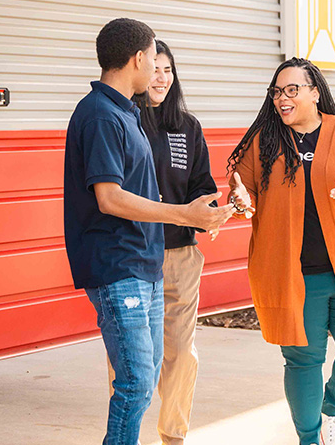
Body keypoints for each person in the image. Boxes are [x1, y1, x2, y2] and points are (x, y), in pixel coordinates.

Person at [63, 18, 234, 445]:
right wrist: (183, 215)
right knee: (136, 381)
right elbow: (110, 198)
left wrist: (204, 210)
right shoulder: (102, 115)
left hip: (146, 264)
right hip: (118, 265)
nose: (157, 70)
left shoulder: (125, 111)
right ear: (138, 59)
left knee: (150, 369)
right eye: (152, 59)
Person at [227, 57, 335, 445]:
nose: (281, 98)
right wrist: (239, 198)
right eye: (276, 92)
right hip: (294, 274)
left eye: (291, 90)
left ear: (315, 92)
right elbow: (242, 189)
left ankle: (331, 408)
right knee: (303, 362)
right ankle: (309, 438)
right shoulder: (263, 142)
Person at [105, 39, 217, 445]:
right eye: (155, 68)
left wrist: (222, 205)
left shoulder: (187, 128)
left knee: (181, 354)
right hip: (134, 259)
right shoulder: (124, 121)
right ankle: (128, 425)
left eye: (168, 70)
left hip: (181, 256)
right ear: (139, 68)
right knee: (134, 360)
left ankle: (173, 434)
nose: (162, 77)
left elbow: (203, 187)